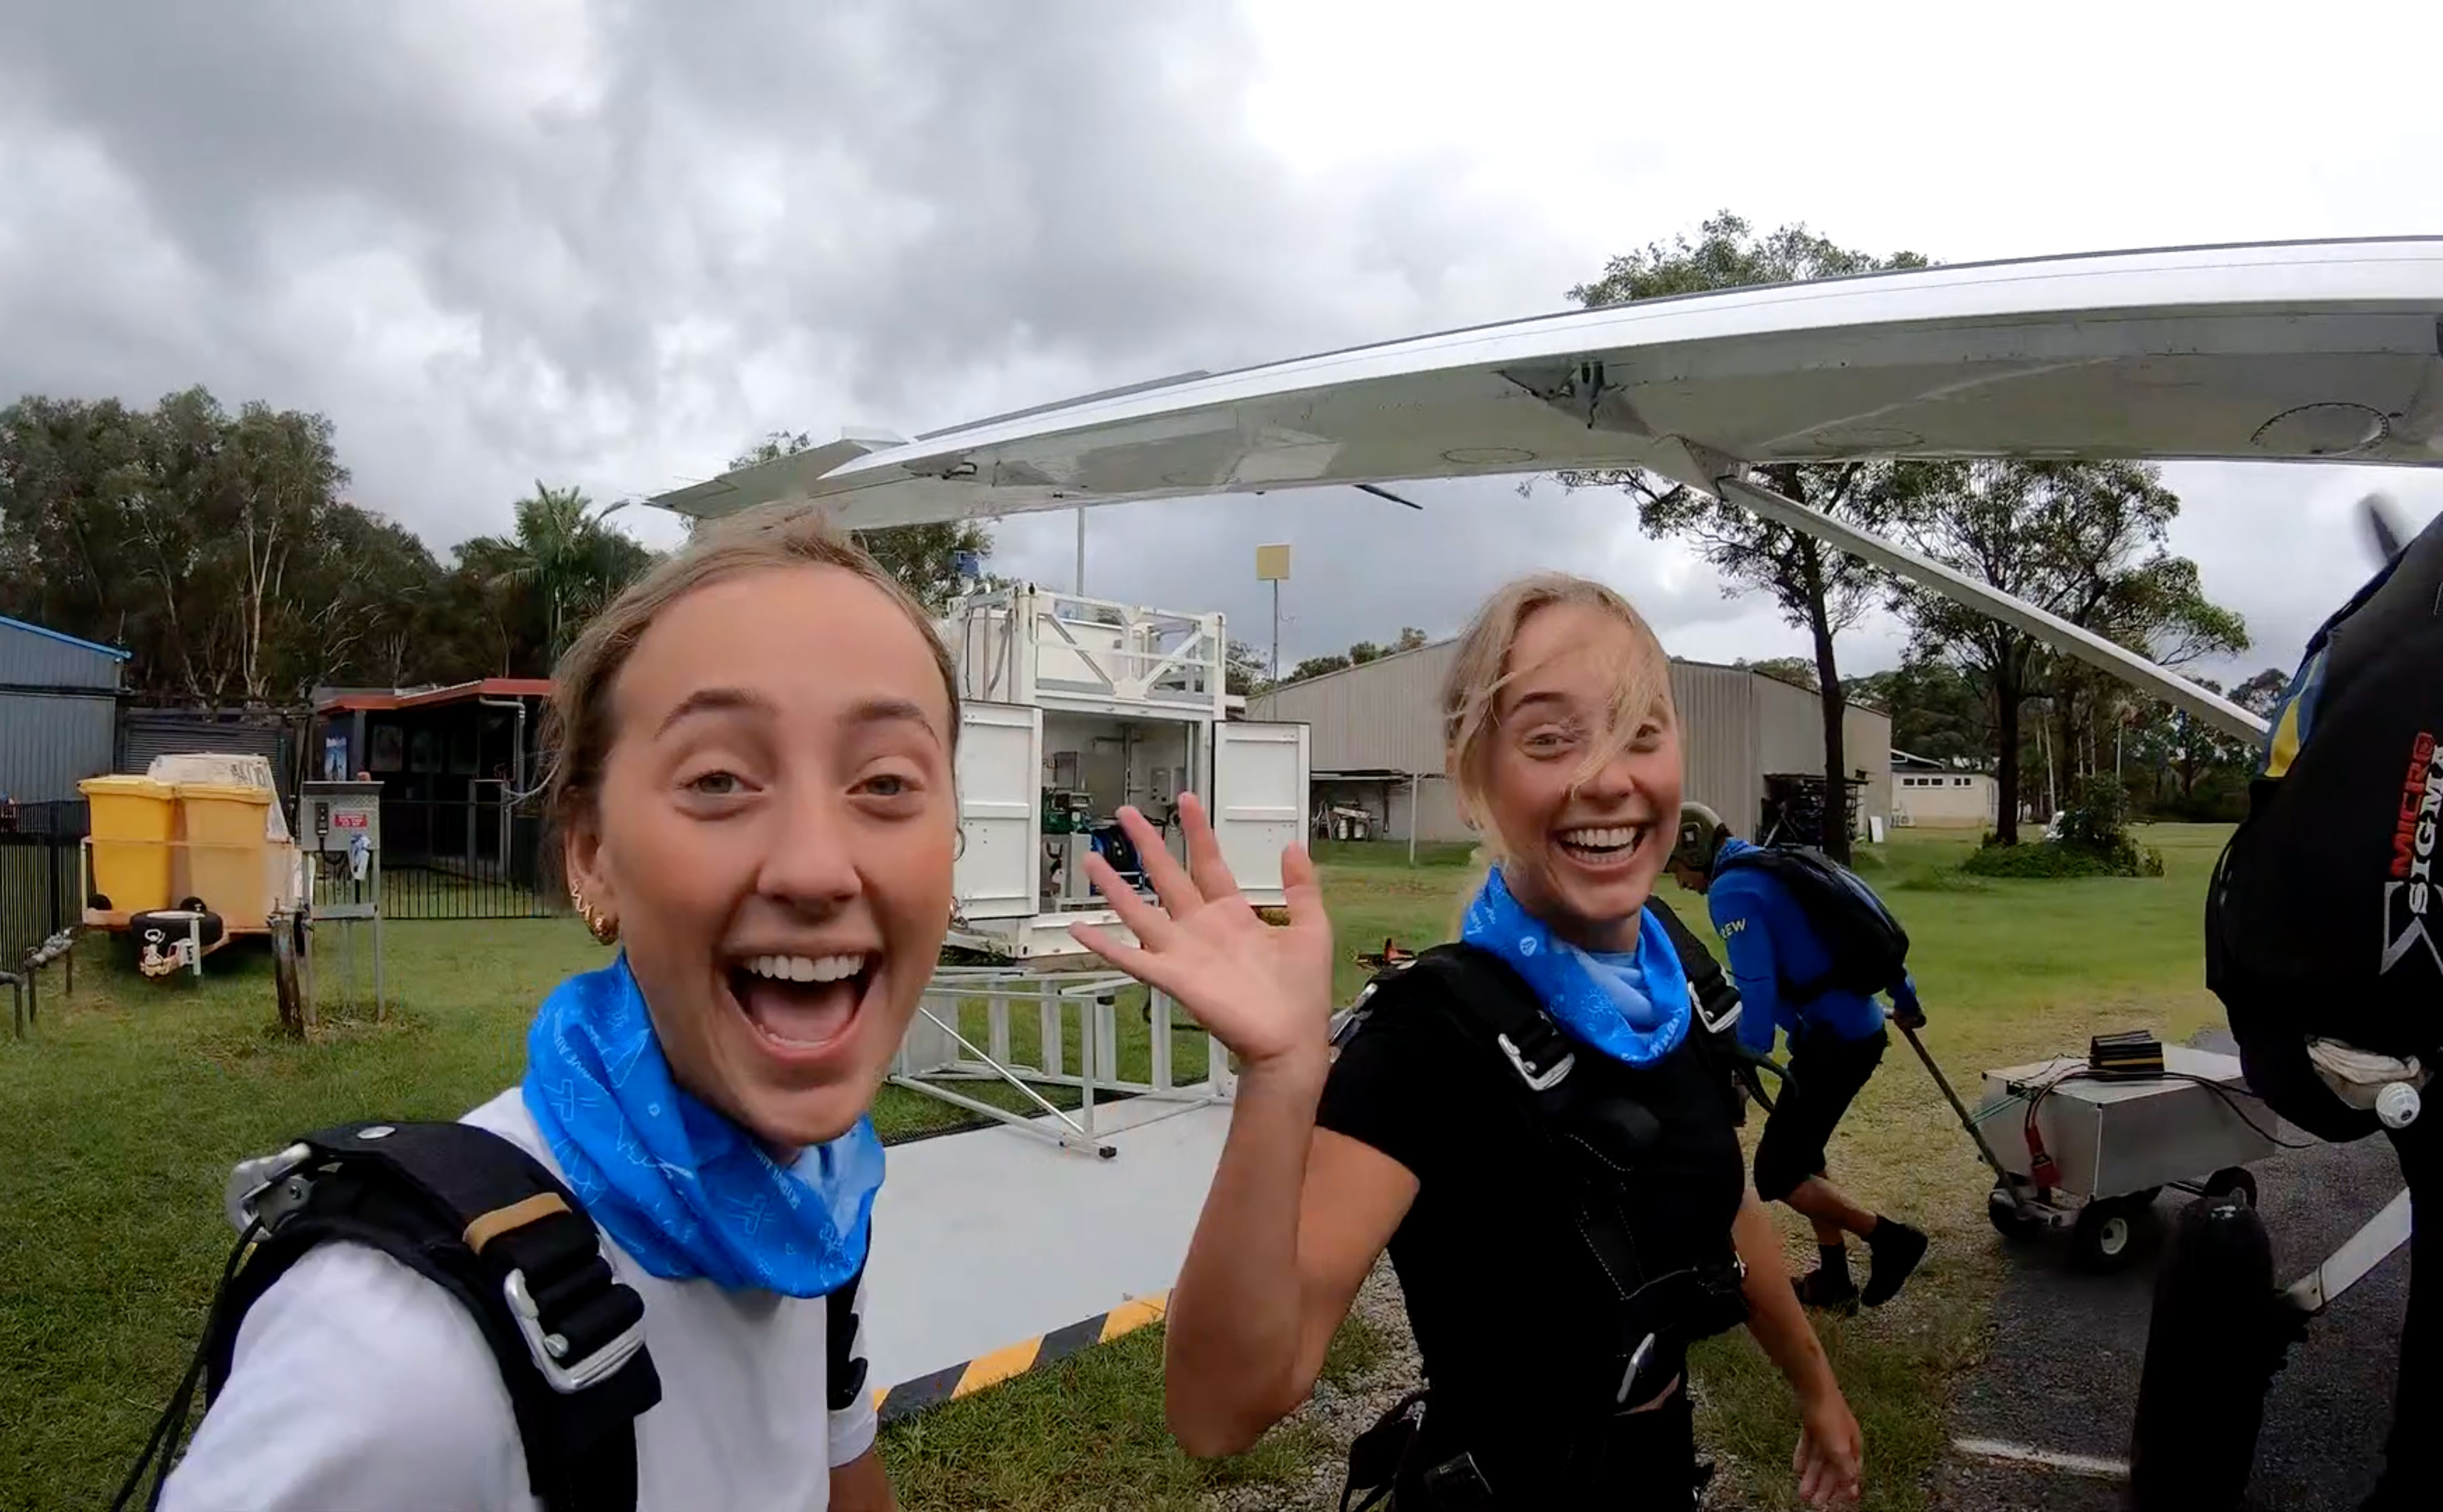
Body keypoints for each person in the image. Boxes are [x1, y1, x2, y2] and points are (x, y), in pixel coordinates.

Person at [158, 505, 947, 1511]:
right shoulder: (395, 1356)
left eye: (886, 782)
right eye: (718, 779)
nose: (814, 868)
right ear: (591, 856)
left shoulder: (814, 1213)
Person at [1070, 573, 1864, 1510]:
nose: (1608, 777)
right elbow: (1218, 1412)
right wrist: (1279, 1077)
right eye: (1549, 739)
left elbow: (1715, 1193)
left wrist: (1816, 1387)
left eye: (1640, 732)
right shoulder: (1427, 1041)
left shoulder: (1676, 971)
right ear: (1470, 774)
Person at [1665, 805, 1928, 1314]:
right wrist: (1907, 1001)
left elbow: (1756, 991)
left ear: (1694, 851)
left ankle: (1892, 1240)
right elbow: (1867, 926)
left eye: (1676, 867)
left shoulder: (1731, 891)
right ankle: (1833, 1281)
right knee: (1804, 1154)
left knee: (1777, 1174)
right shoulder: (1779, 863)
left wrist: (1741, 1069)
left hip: (1836, 1045)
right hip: (1847, 1032)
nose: (1678, 882)